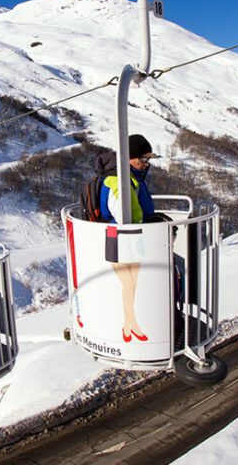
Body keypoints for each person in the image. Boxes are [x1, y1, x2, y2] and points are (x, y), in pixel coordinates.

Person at [98, 134, 159, 343]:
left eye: (149, 159)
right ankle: (130, 324)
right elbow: (127, 215)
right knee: (129, 284)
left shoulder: (131, 179)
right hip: (121, 241)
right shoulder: (117, 181)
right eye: (142, 159)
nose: (146, 164)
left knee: (132, 285)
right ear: (129, 158)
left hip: (133, 240)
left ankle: (129, 324)